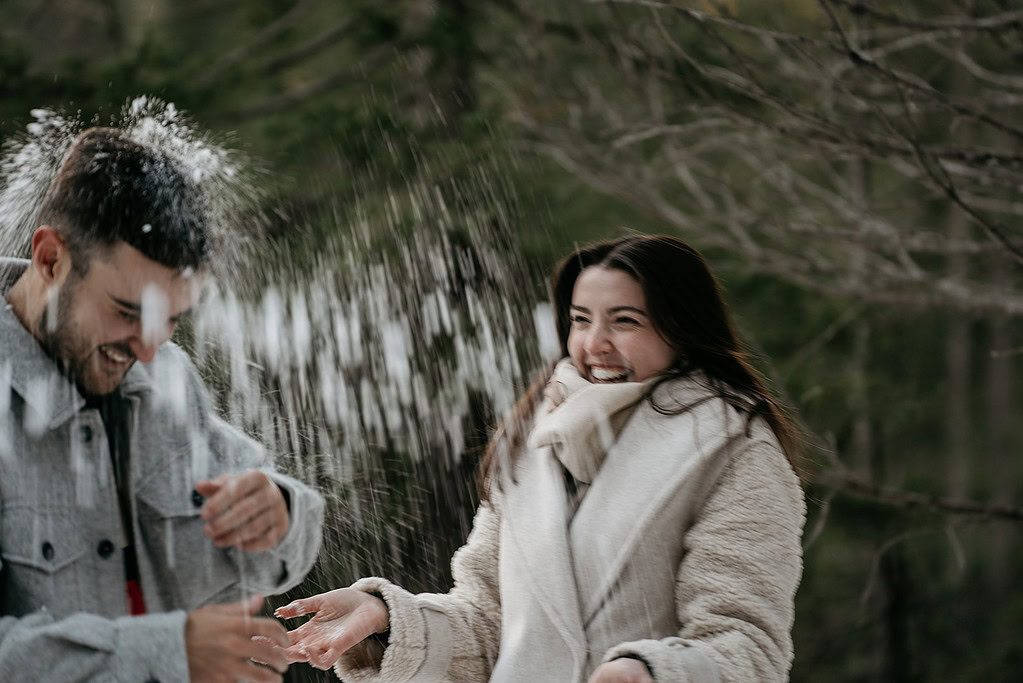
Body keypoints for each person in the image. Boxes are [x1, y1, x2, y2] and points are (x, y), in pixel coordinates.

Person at [276, 234, 806, 683]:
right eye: (580, 320)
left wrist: (651, 672)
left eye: (624, 321)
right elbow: (486, 625)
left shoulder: (734, 449)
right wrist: (384, 619)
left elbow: (749, 648)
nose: (594, 343)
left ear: (682, 327)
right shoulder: (534, 438)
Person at [0, 127, 325, 683]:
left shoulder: (163, 372)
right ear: (51, 258)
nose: (151, 350)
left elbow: (288, 547)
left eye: (170, 321)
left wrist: (281, 511)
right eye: (128, 313)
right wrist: (163, 653)